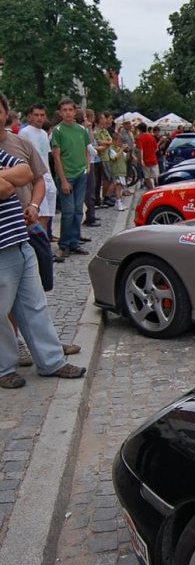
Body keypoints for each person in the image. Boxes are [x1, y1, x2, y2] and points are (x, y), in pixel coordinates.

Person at [0, 144, 86, 388]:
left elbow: (26, 173)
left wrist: (8, 176)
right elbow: (6, 188)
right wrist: (7, 175)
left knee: (34, 305)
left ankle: (51, 362)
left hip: (19, 239)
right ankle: (4, 368)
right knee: (0, 313)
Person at [51, 99, 90, 258]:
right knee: (68, 212)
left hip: (81, 174)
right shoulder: (58, 130)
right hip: (66, 176)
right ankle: (64, 244)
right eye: (64, 110)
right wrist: (64, 180)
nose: (67, 113)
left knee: (78, 210)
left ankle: (74, 242)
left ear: (75, 112)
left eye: (70, 110)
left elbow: (86, 150)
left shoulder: (81, 130)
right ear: (60, 112)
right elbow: (56, 157)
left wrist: (87, 167)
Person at [18, 104, 59, 238]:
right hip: (36, 177)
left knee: (47, 215)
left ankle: (46, 244)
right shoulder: (25, 133)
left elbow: (45, 157)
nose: (39, 118)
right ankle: (42, 248)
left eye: (42, 115)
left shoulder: (43, 133)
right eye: (36, 115)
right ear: (30, 116)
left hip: (46, 176)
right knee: (40, 214)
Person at [135, 123, 159, 189]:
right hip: (153, 159)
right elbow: (156, 148)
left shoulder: (140, 138)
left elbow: (141, 149)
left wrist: (141, 159)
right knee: (155, 176)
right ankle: (157, 187)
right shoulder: (152, 137)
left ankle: (151, 189)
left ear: (140, 130)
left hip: (146, 160)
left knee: (147, 177)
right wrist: (151, 152)